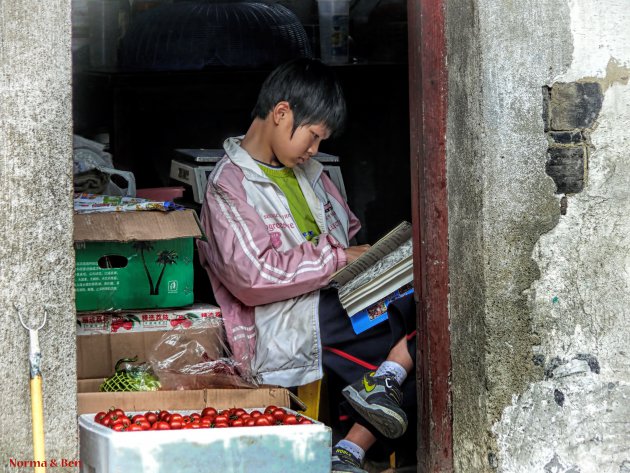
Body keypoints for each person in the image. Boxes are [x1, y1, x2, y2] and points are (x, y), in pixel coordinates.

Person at [197, 58, 416, 473]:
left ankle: (353, 441)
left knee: (429, 307)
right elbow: (253, 277)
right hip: (286, 319)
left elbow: (347, 233)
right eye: (313, 136)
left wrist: (374, 259)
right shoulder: (229, 187)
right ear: (281, 114)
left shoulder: (312, 172)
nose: (314, 150)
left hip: (334, 301)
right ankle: (376, 401)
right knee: (421, 331)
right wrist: (339, 258)